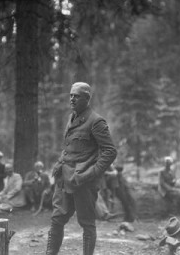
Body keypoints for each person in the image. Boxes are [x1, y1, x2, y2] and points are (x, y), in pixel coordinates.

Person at [45, 82, 117, 255]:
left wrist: (91, 173)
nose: (72, 99)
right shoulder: (72, 118)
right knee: (57, 219)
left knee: (87, 223)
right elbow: (69, 147)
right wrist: (59, 163)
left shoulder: (96, 121)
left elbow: (110, 151)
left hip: (83, 182)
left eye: (76, 96)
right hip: (65, 179)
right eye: (71, 95)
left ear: (87, 98)